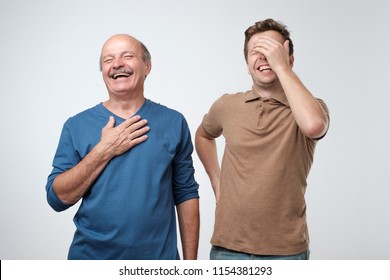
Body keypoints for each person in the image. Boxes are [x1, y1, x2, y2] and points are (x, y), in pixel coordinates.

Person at [46, 34, 199, 260]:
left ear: (147, 66)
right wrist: (103, 150)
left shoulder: (174, 122)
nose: (117, 64)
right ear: (103, 72)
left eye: (127, 56)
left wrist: (190, 266)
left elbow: (185, 193)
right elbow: (56, 198)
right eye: (108, 60)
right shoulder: (75, 125)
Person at [195, 19, 329, 260]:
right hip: (228, 248)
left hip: (286, 252)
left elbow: (314, 126)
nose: (265, 56)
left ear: (289, 59)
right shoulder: (227, 105)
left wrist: (282, 69)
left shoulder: (310, 107)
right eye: (256, 51)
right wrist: (217, 181)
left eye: (273, 50)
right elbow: (204, 135)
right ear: (247, 63)